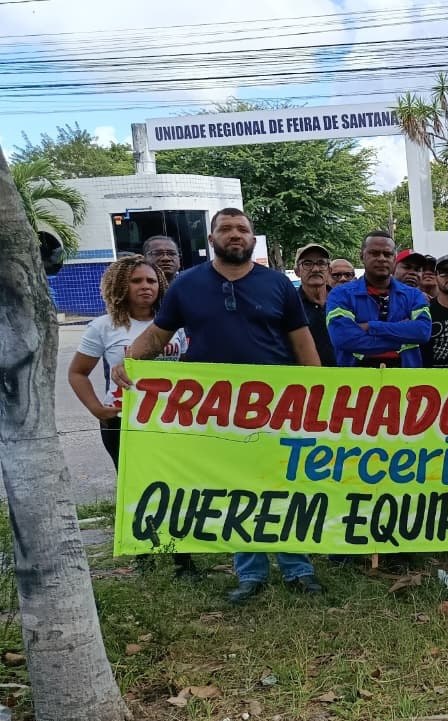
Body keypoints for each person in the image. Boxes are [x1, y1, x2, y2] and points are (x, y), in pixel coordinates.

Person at [113, 207, 324, 603]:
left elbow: (302, 345)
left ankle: (299, 569)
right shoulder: (186, 286)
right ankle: (251, 575)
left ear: (252, 238)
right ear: (212, 239)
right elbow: (158, 336)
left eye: (242, 229)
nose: (234, 234)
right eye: (225, 228)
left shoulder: (278, 285)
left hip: (276, 407)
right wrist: (127, 362)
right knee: (237, 490)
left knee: (283, 484)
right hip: (215, 411)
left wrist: (316, 394)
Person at [67, 255, 195, 577]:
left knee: (177, 485)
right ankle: (145, 558)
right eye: (137, 281)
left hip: (171, 421)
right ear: (120, 285)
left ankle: (184, 560)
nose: (145, 287)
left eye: (151, 281)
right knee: (136, 488)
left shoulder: (172, 324)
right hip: (124, 421)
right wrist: (97, 409)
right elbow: (78, 373)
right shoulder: (103, 326)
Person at [326, 233, 433, 368]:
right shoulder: (340, 294)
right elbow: (343, 338)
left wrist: (371, 326)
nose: (381, 259)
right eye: (374, 253)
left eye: (387, 254)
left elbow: (423, 332)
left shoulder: (414, 295)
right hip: (356, 383)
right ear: (362, 257)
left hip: (405, 383)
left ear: (394, 259)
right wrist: (405, 339)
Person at [295, 243, 336, 367]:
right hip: (306, 381)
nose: (315, 269)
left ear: (329, 270)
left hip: (346, 380)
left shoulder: (344, 302)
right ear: (297, 271)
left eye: (321, 263)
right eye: (307, 264)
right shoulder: (290, 305)